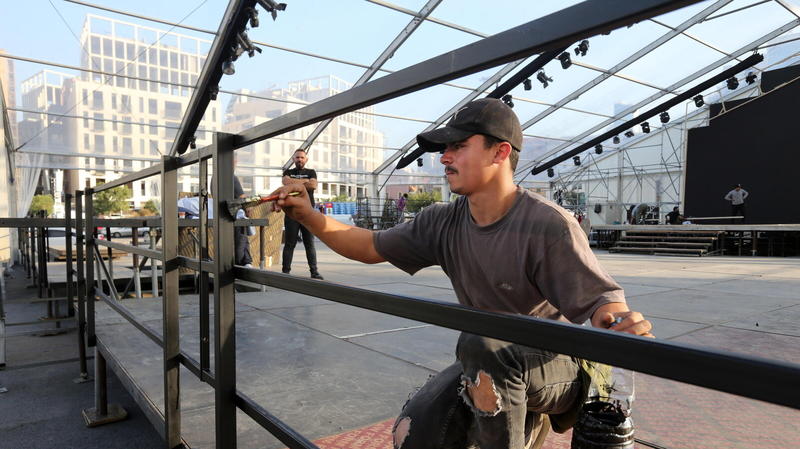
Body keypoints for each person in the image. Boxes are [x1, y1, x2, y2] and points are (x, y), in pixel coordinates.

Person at [270, 98, 652, 448]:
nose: (444, 157)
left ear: (500, 152)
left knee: (482, 345)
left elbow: (603, 303)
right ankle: (508, 418)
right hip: (488, 359)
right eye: (444, 149)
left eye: (457, 146)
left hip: (555, 366)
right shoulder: (442, 221)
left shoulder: (547, 224)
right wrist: (309, 216)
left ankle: (518, 422)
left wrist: (620, 321)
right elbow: (371, 246)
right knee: (414, 433)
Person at [281, 149, 323, 280]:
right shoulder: (287, 172)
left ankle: (314, 271)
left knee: (309, 243)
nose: (299, 159)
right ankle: (285, 272)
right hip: (291, 213)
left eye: (302, 157)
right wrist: (305, 183)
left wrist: (295, 182)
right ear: (293, 159)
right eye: (297, 157)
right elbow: (286, 182)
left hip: (307, 213)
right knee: (289, 244)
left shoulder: (311, 172)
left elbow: (313, 185)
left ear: (306, 159)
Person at [233, 158, 253, 267]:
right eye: (235, 160)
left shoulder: (214, 177)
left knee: (240, 241)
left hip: (224, 216)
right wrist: (248, 208)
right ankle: (243, 265)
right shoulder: (232, 177)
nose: (236, 163)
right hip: (236, 215)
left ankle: (246, 262)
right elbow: (242, 197)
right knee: (241, 241)